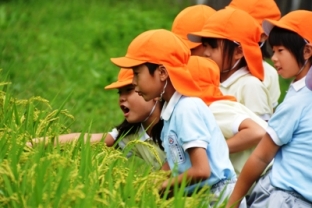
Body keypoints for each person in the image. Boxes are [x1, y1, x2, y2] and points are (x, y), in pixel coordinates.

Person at [110, 29, 241, 207]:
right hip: (201, 198)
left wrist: (160, 187)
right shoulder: (170, 113)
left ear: (162, 73)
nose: (133, 81)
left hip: (218, 199)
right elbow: (173, 166)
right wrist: (142, 189)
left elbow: (201, 170)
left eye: (137, 73)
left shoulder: (186, 109)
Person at [227, 10, 312, 208]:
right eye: (273, 50)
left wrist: (232, 203)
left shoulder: (297, 102)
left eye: (280, 50)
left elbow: (260, 156)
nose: (273, 57)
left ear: (307, 52)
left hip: (283, 199)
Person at [28, 69, 166, 170]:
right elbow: (83, 139)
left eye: (129, 90)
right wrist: (35, 144)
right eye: (120, 93)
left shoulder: (175, 121)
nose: (122, 98)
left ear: (154, 90)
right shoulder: (132, 134)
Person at [188, 8, 273, 121]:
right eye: (205, 46)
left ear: (238, 52)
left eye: (213, 47)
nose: (206, 53)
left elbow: (262, 132)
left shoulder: (250, 86)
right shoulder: (213, 80)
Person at [187, 56, 267, 175]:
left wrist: (213, 151)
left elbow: (257, 132)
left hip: (265, 180)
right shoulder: (217, 106)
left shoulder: (213, 109)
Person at [227, 0, 281, 109]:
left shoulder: (269, 75)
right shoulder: (213, 59)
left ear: (264, 35)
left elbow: (268, 118)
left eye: (240, 24)